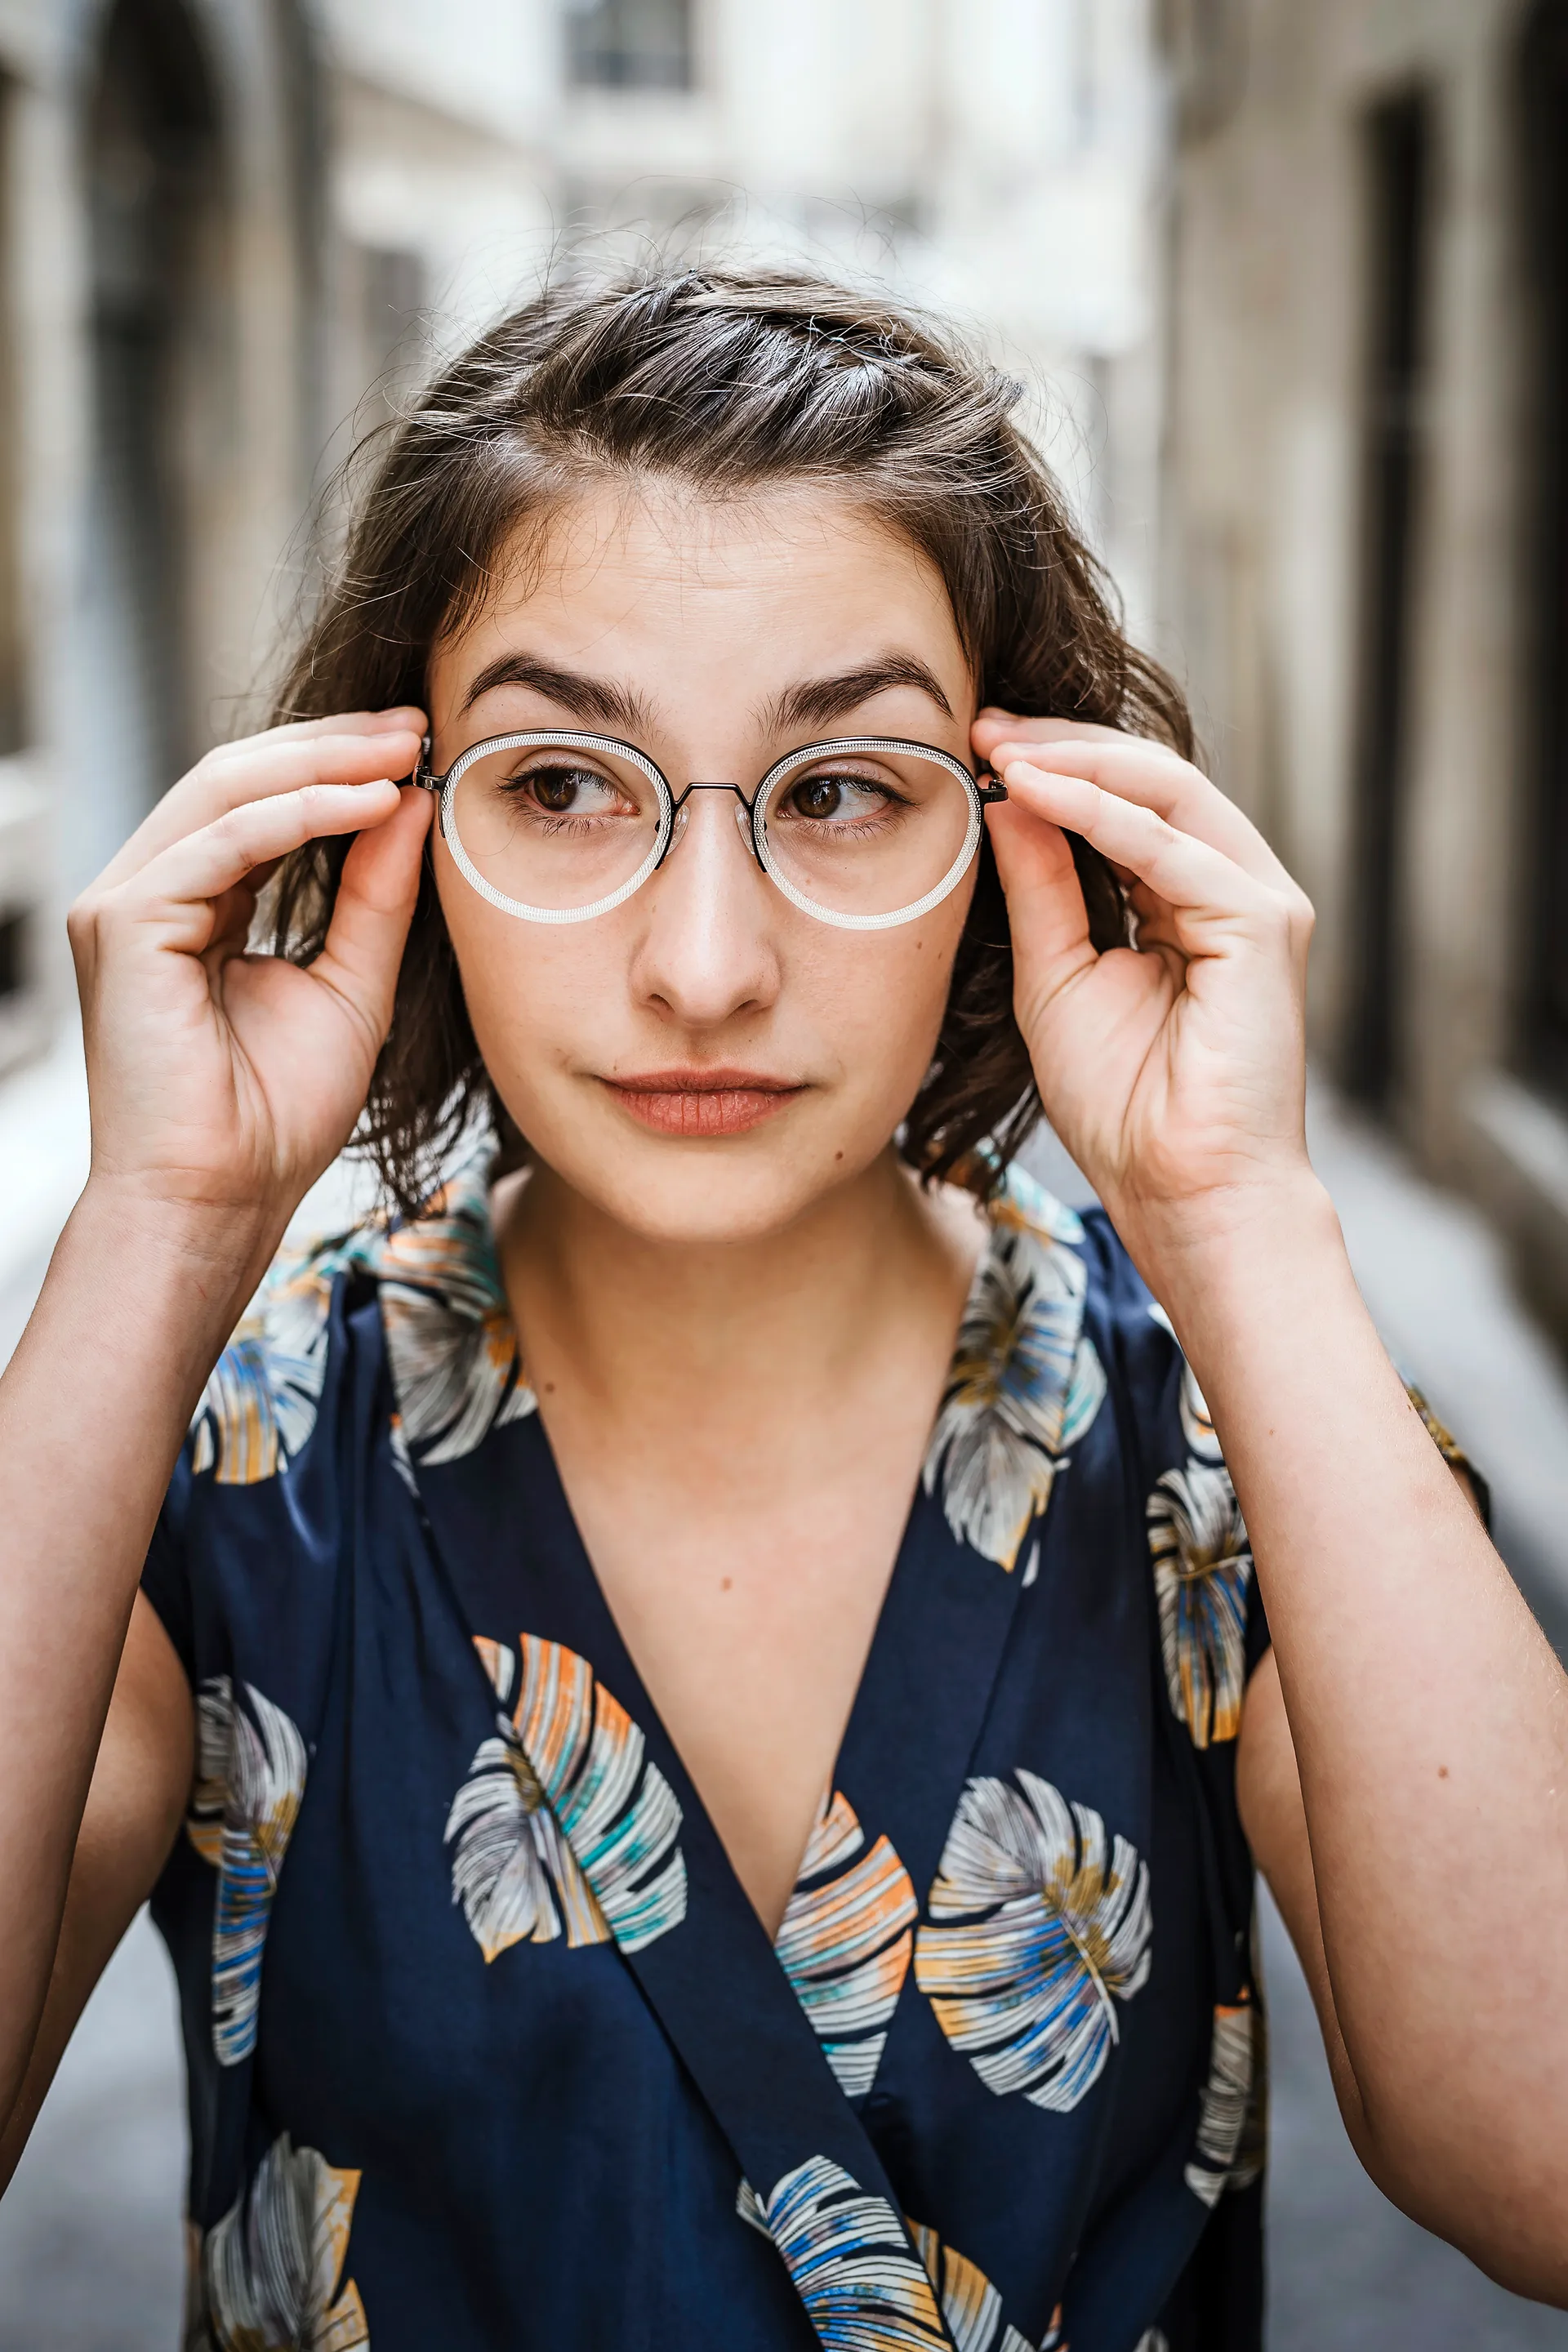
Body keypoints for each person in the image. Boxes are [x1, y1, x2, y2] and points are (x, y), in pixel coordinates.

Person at [0, 267, 1564, 2352]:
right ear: (402, 816)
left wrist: (1243, 1216)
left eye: (841, 790)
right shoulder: (222, 1474)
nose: (709, 963)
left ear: (1016, 829)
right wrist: (158, 1226)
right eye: (563, 783)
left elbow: (1538, 2153)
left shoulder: (1229, 1463)